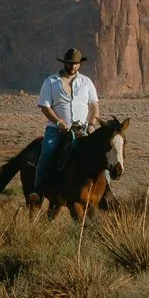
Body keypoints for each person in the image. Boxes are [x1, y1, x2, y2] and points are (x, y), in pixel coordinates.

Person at [32, 48, 100, 201]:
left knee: (101, 155)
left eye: (76, 64)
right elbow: (44, 106)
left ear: (79, 64)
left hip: (82, 129)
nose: (73, 66)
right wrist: (59, 122)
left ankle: (105, 192)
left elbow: (94, 106)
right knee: (47, 152)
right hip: (56, 130)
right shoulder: (51, 81)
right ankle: (38, 190)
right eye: (70, 63)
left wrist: (91, 123)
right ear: (65, 63)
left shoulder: (86, 82)